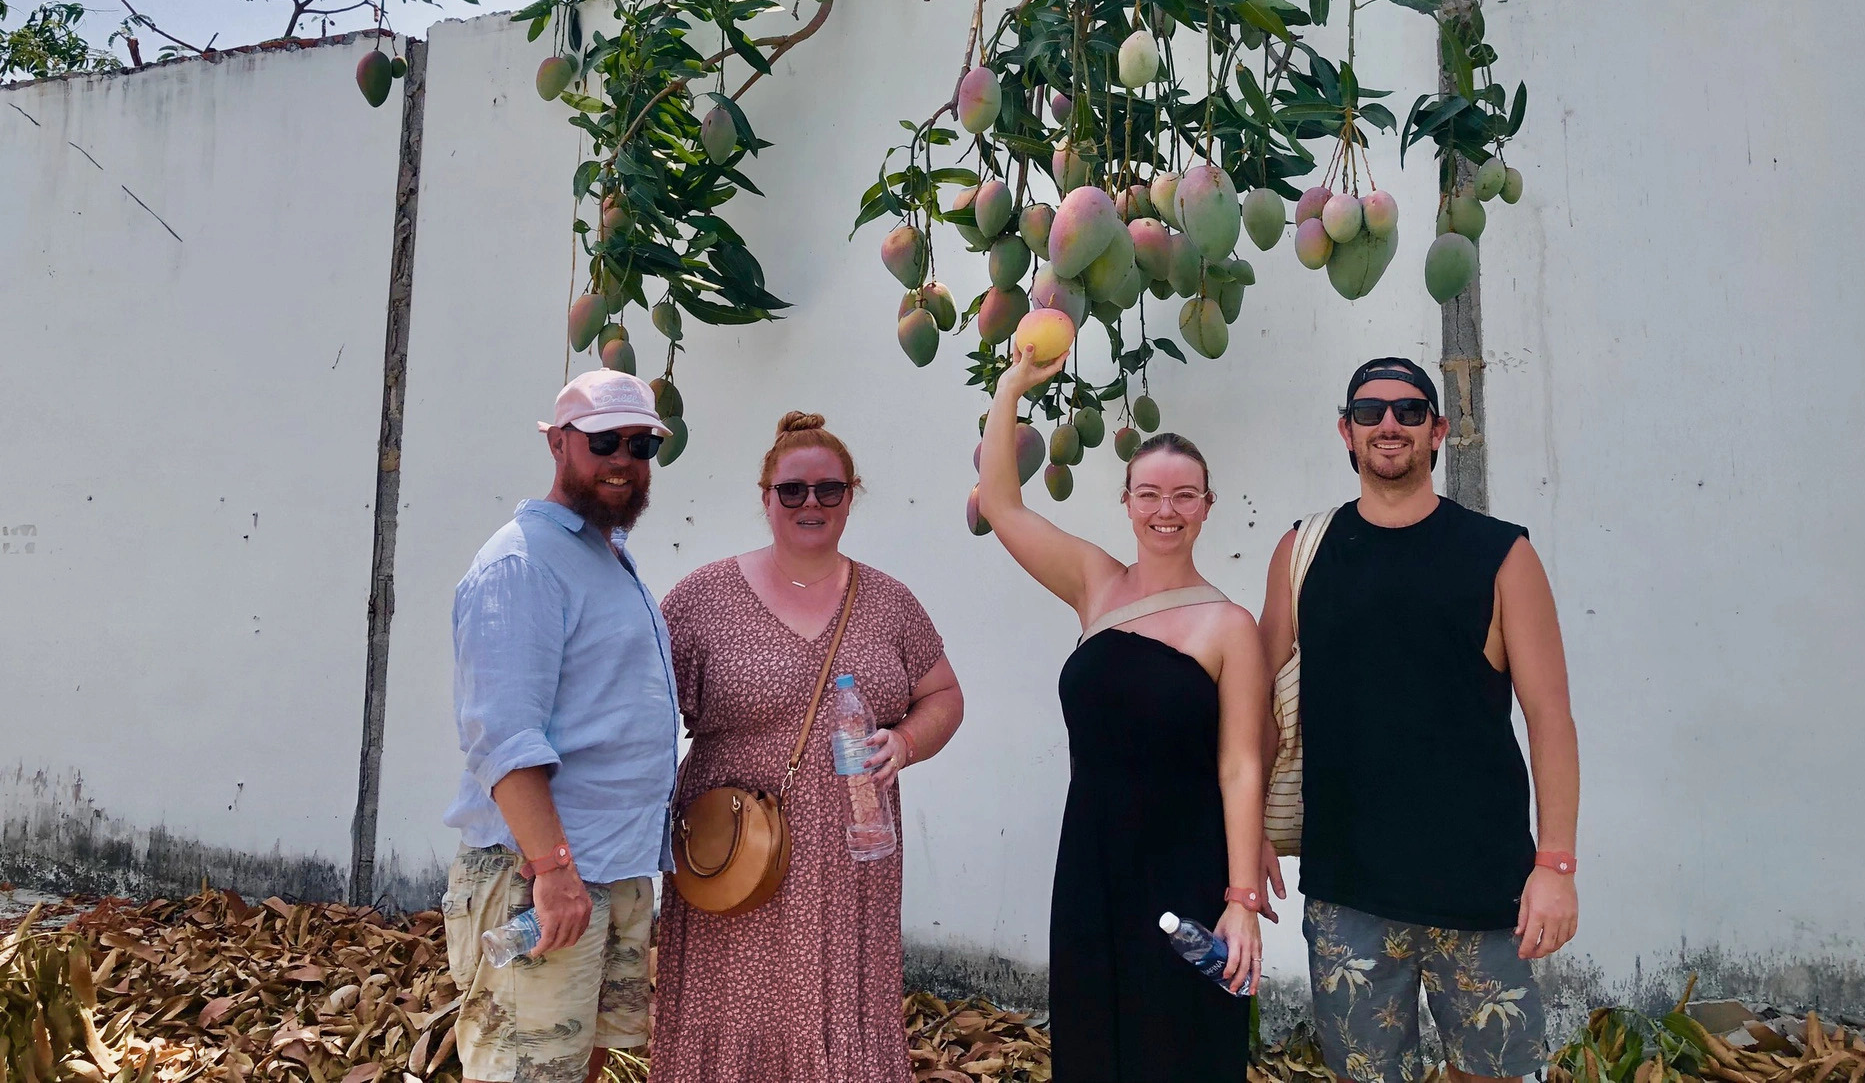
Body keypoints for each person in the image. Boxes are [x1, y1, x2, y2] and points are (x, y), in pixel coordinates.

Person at [1257, 355, 1580, 1083]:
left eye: (1409, 410)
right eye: (1369, 412)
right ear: (1347, 431)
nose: (1389, 424)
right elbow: (1258, 706)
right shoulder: (1303, 553)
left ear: (1439, 431)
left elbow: (1550, 717)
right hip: (1349, 890)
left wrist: (1555, 865)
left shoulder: (1502, 556)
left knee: (1491, 1076)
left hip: (1482, 887)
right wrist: (1248, 830)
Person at [979, 350, 1271, 1083]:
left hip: (1189, 871)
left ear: (1208, 505)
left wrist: (1239, 900)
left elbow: (1240, 765)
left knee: (1181, 1045)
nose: (1165, 511)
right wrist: (1012, 385)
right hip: (1091, 863)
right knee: (1093, 1040)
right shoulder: (1094, 585)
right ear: (1126, 502)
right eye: (1149, 494)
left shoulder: (1229, 625)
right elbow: (1003, 505)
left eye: (1183, 496)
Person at [650, 411, 965, 1083]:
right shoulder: (702, 598)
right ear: (765, 497)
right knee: (732, 1005)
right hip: (733, 852)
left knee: (838, 1007)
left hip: (854, 851)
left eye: (830, 489)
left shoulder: (889, 602)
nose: (811, 503)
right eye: (793, 490)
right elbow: (644, 715)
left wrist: (906, 741)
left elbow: (944, 696)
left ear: (853, 495)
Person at [441, 368, 680, 1083]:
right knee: (526, 1073)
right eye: (604, 440)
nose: (623, 459)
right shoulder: (522, 563)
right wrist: (552, 872)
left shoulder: (602, 554)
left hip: (610, 868)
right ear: (557, 445)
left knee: (578, 1064)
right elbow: (504, 736)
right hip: (542, 875)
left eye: (641, 445)